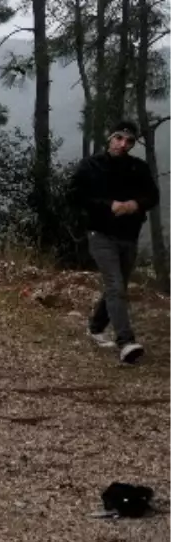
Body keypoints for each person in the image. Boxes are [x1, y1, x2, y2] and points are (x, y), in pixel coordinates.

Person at [67, 119, 160, 364]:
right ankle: (126, 342)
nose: (123, 144)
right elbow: (73, 195)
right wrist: (108, 205)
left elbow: (153, 195)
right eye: (119, 138)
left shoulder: (138, 168)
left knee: (116, 288)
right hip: (100, 234)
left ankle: (96, 327)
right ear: (110, 138)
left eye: (129, 141)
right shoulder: (90, 166)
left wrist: (135, 205)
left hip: (129, 236)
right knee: (115, 286)